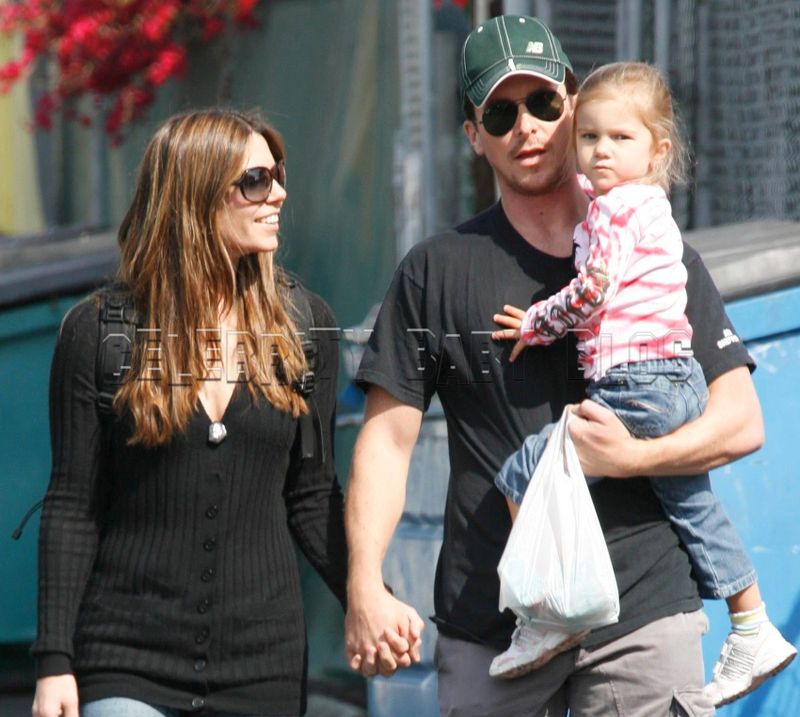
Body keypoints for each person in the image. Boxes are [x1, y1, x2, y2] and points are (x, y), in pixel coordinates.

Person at [344, 15, 771, 717]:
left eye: (544, 103)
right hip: (497, 621)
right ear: (473, 135)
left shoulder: (653, 247)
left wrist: (634, 456)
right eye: (501, 113)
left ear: (574, 107)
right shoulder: (435, 270)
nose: (527, 127)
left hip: (643, 610)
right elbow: (387, 442)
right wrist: (365, 582)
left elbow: (740, 420)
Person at [488, 61, 796, 699]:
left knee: (523, 472)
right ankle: (751, 622)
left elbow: (591, 292)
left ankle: (543, 613)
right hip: (676, 378)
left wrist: (537, 324)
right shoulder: (654, 209)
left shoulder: (614, 213)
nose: (601, 150)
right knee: (690, 504)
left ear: (659, 150)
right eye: (590, 136)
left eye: (619, 139)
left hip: (636, 383)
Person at [31, 109, 347, 717]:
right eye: (256, 180)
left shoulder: (303, 329)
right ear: (196, 196)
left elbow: (311, 497)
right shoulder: (99, 331)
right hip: (125, 659)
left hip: (262, 668)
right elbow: (71, 506)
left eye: (278, 175)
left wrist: (368, 597)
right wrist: (54, 663)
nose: (278, 192)